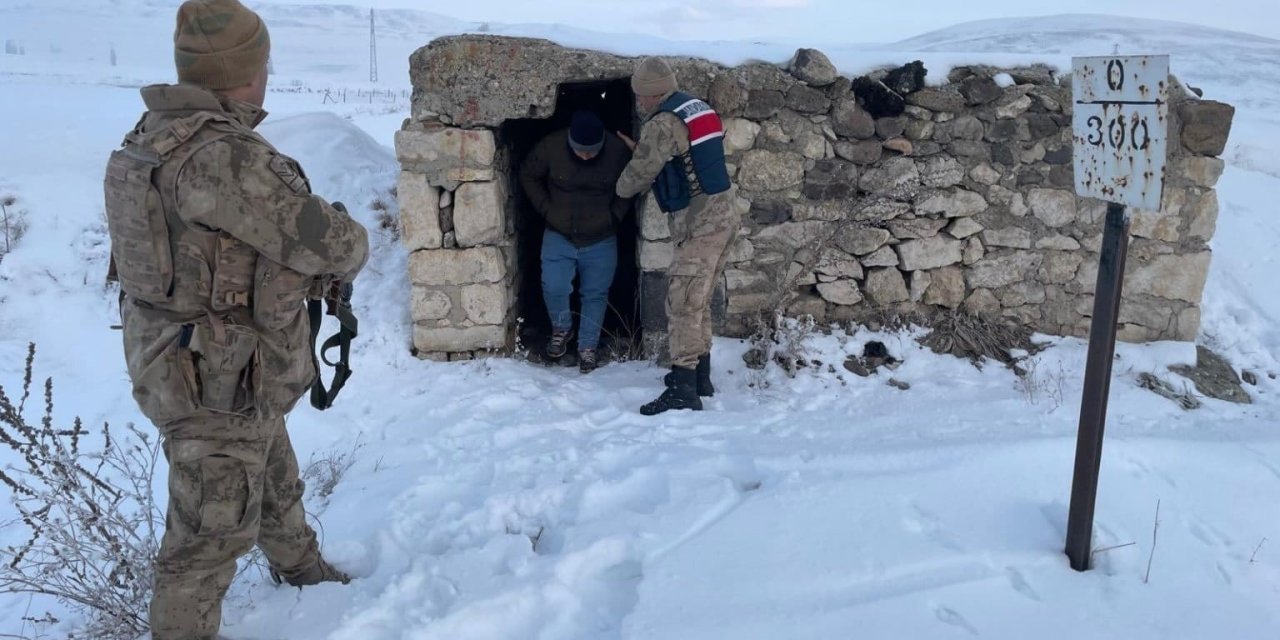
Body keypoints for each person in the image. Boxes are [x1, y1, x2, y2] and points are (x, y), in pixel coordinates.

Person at [102, 1, 369, 637]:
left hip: (189, 359)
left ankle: (300, 568)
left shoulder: (152, 137)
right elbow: (333, 244)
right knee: (207, 538)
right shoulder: (225, 157)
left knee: (271, 465)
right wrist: (343, 233)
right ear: (247, 71)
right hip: (217, 373)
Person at [616, 57, 740, 415]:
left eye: (641, 97)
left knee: (683, 302)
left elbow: (639, 175)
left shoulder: (663, 122)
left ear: (652, 94)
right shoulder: (695, 107)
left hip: (699, 222)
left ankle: (684, 388)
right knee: (698, 298)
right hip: (725, 215)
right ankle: (700, 375)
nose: (639, 103)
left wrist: (618, 188)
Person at [520, 109, 632, 373]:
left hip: (601, 236)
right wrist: (546, 209)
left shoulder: (617, 152)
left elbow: (633, 181)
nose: (585, 155)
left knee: (595, 294)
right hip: (559, 233)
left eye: (591, 151)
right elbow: (528, 173)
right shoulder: (551, 146)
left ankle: (588, 346)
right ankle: (562, 328)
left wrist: (615, 215)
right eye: (580, 150)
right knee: (554, 286)